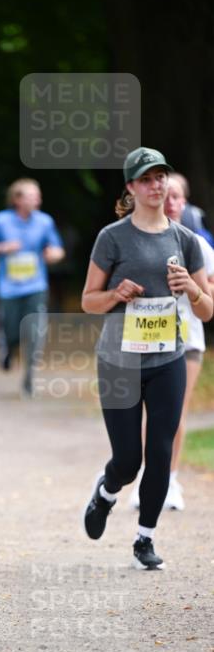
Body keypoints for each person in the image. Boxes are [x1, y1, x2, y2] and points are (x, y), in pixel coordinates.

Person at [81, 147, 212, 569]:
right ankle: (106, 491)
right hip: (118, 360)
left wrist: (191, 290)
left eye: (161, 178)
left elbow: (207, 309)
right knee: (128, 460)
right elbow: (88, 301)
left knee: (159, 450)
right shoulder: (112, 237)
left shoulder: (185, 239)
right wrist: (115, 294)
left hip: (166, 358)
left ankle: (145, 538)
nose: (157, 186)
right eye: (147, 179)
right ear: (132, 188)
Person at [129, 175, 214, 511]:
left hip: (187, 339)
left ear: (185, 203)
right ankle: (145, 476)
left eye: (177, 196)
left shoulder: (198, 245)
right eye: (166, 195)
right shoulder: (131, 239)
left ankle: (170, 478)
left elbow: (209, 301)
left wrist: (193, 288)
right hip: (143, 336)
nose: (170, 202)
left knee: (173, 412)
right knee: (141, 414)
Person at [0, 179, 65, 396]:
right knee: (11, 329)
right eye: (31, 195)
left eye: (37, 195)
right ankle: (9, 349)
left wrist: (53, 255)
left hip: (36, 285)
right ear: (17, 199)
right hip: (9, 287)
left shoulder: (44, 221)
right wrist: (3, 248)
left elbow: (57, 249)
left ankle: (29, 377)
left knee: (35, 332)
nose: (36, 200)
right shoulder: (1, 220)